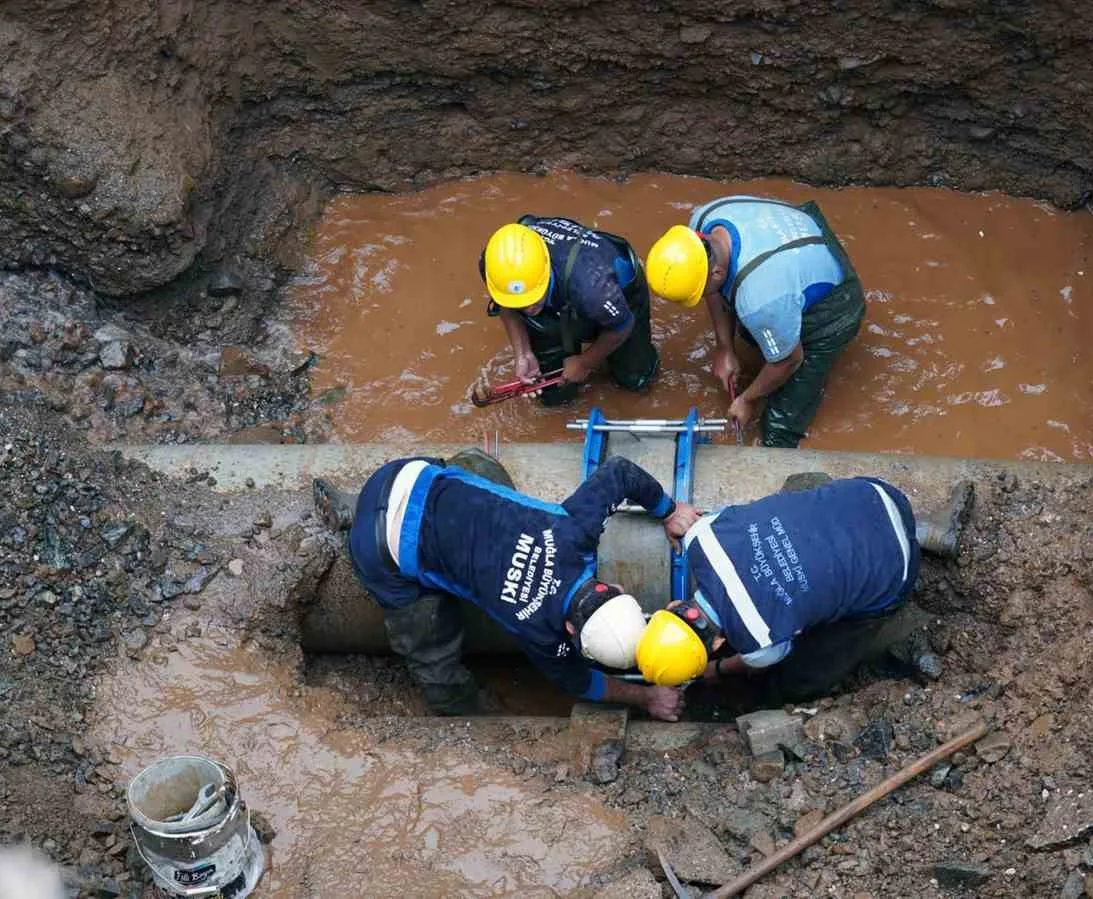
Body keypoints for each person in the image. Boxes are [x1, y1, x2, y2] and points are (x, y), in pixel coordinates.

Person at [312, 449, 695, 719]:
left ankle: (357, 502)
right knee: (431, 645)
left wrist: (670, 510)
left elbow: (620, 472)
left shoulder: (575, 532)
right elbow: (583, 685)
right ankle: (458, 712)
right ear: (569, 633)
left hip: (401, 475)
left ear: (615, 591)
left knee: (484, 474)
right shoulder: (541, 635)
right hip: (379, 550)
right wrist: (646, 698)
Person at [635, 473, 972, 701]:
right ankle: (925, 527)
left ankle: (797, 698)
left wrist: (716, 670)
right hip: (875, 494)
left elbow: (756, 662)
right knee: (796, 498)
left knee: (809, 668)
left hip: (895, 572)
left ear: (721, 642)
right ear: (671, 607)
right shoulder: (700, 536)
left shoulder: (759, 643)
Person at [644, 196, 866, 447]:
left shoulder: (761, 301)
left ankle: (783, 430)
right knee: (755, 328)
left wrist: (747, 400)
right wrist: (724, 347)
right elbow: (713, 288)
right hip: (799, 236)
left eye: (699, 292)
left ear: (715, 273)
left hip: (835, 303)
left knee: (777, 431)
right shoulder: (703, 222)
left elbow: (789, 359)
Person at [480, 218, 659, 406]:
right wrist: (523, 352)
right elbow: (504, 304)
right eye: (520, 304)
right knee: (551, 394)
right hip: (565, 293)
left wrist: (585, 362)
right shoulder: (495, 264)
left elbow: (623, 325)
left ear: (547, 269)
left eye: (532, 300)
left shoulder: (594, 288)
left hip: (615, 294)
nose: (528, 310)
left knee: (634, 379)